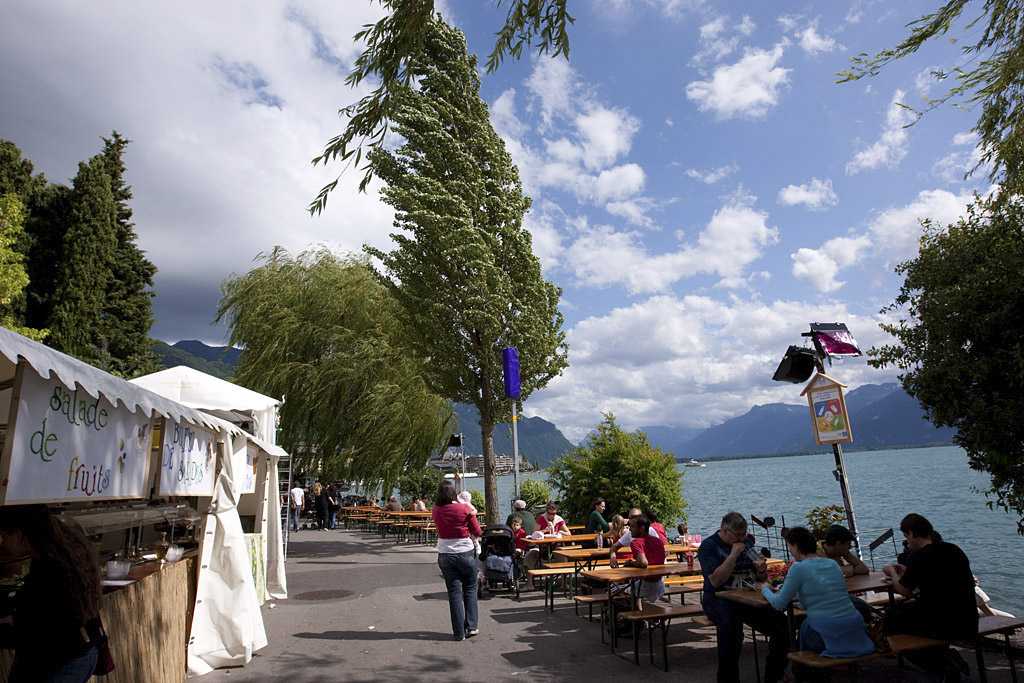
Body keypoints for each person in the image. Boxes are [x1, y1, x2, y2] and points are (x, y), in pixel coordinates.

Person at [0, 505, 103, 682]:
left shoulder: (52, 570)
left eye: (3, 536)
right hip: (79, 653)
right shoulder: (56, 555)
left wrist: (4, 634)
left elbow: (41, 633)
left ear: (18, 535)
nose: (2, 543)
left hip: (63, 660)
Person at [699, 511, 790, 683]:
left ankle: (774, 675)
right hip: (719, 598)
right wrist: (733, 555)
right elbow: (716, 581)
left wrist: (761, 570)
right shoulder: (709, 546)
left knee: (782, 625)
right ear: (724, 531)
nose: (741, 538)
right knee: (731, 629)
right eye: (737, 535)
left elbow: (761, 579)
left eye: (744, 534)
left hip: (747, 596)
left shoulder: (746, 543)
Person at [883, 514, 977, 679]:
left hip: (939, 623)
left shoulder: (919, 556)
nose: (907, 541)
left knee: (891, 619)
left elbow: (903, 590)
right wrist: (907, 572)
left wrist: (892, 572)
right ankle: (942, 658)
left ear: (911, 534)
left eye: (906, 537)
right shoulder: (953, 549)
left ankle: (939, 665)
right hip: (967, 620)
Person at [761, 527, 874, 659]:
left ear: (796, 546)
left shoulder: (798, 567)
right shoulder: (832, 564)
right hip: (853, 628)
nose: (790, 551)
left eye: (790, 547)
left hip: (826, 632)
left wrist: (765, 589)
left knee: (796, 642)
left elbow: (779, 603)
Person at [432, 480, 483, 640]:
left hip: (445, 552)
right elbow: (477, 531)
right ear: (454, 493)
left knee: (454, 593)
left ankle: (459, 632)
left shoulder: (436, 510)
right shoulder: (464, 508)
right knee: (470, 588)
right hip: (465, 552)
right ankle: (472, 626)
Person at [621, 514, 667, 606]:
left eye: (633, 527)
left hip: (645, 584)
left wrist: (631, 564)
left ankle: (628, 613)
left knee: (612, 591)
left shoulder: (636, 543)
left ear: (641, 528)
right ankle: (638, 612)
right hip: (659, 583)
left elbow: (643, 563)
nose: (630, 530)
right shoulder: (658, 541)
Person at [509, 517, 538, 590]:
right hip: (512, 549)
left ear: (520, 526)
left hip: (522, 549)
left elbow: (526, 545)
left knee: (518, 551)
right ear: (511, 525)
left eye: (517, 525)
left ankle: (517, 573)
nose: (515, 527)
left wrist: (518, 547)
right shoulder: (510, 532)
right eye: (514, 525)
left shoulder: (522, 533)